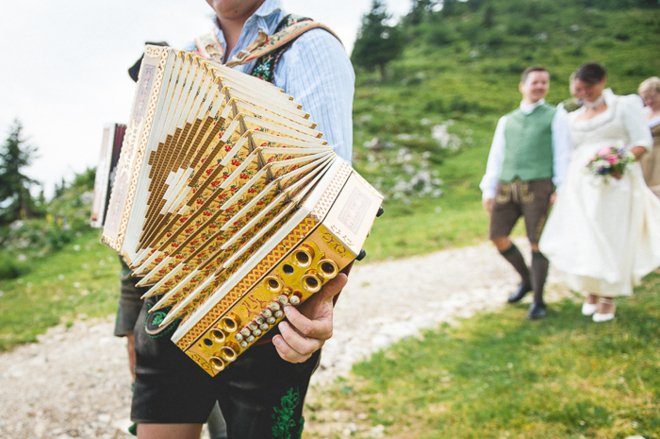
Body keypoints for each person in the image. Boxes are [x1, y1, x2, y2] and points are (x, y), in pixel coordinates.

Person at [115, 1, 355, 438]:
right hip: (170, 304)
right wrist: (129, 313)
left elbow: (332, 202)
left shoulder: (309, 46)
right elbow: (153, 196)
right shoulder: (184, 57)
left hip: (268, 314)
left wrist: (322, 298)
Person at [539, 63, 660, 322]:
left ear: (601, 82)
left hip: (616, 184)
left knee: (611, 234)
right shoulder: (571, 116)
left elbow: (642, 142)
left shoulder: (624, 106)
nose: (582, 95)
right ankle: (591, 289)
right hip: (580, 186)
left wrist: (618, 162)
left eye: (587, 89)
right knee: (584, 236)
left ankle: (609, 296)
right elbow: (567, 152)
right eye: (577, 91)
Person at [480, 66, 571, 320]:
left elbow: (563, 153)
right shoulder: (507, 120)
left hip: (539, 185)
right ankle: (527, 280)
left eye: (544, 82)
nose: (540, 86)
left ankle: (539, 300)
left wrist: (560, 187)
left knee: (537, 241)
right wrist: (488, 187)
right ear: (523, 86)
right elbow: (496, 155)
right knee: (498, 236)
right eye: (535, 82)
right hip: (506, 186)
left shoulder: (556, 116)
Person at [638, 76, 660, 197]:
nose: (649, 101)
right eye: (645, 98)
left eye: (652, 97)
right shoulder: (643, 112)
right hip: (644, 157)